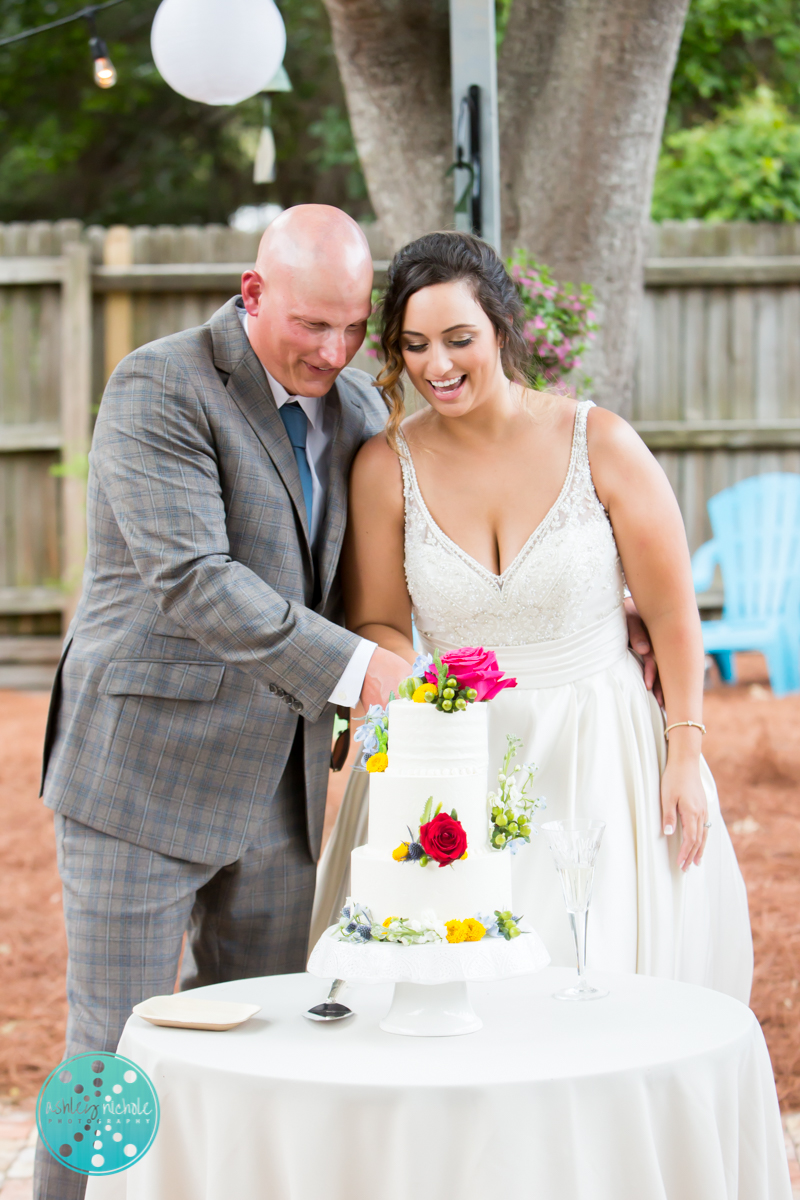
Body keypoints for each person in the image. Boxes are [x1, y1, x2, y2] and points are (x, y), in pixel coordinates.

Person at [34, 205, 410, 1200]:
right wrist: (352, 671)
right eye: (309, 325)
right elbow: (193, 578)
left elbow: (410, 561)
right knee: (114, 1049)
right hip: (138, 777)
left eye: (351, 327)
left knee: (261, 1041)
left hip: (281, 792)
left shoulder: (363, 412)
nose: (332, 351)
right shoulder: (159, 383)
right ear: (253, 294)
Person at [337, 230, 753, 1002]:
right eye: (415, 344)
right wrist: (414, 713)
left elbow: (669, 613)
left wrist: (686, 752)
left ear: (502, 326)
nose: (438, 366)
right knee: (456, 990)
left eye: (460, 339)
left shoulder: (601, 443)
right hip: (453, 756)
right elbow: (384, 627)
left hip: (601, 751)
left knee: (593, 981)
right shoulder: (382, 466)